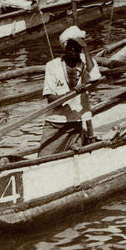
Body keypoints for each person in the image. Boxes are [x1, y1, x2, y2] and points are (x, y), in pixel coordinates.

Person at [38, 25, 102, 155]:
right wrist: (72, 92)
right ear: (65, 47)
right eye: (72, 46)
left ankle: (84, 140)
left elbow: (95, 78)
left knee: (75, 154)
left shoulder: (86, 61)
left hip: (76, 122)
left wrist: (85, 48)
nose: (75, 50)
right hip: (56, 122)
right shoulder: (52, 66)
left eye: (78, 47)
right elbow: (50, 98)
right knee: (42, 158)